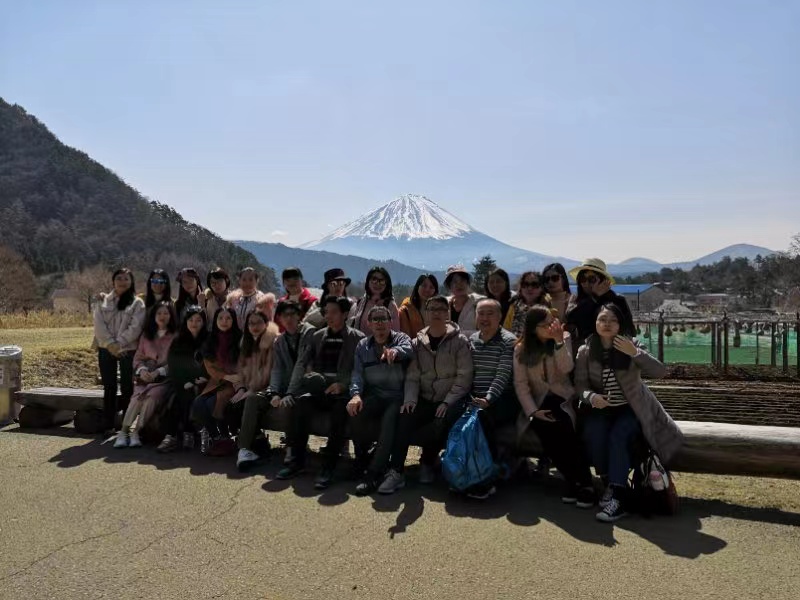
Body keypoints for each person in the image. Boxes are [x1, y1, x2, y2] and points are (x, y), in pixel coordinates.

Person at [575, 303, 683, 523]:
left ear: (621, 323)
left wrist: (634, 353)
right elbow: (580, 385)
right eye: (602, 319)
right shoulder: (586, 350)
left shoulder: (632, 344)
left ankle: (618, 494)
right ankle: (608, 482)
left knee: (619, 435)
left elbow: (660, 371)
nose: (606, 324)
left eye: (612, 320)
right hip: (601, 408)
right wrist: (591, 398)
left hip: (631, 408)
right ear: (595, 323)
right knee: (594, 433)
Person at [379, 295, 473, 495]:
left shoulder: (460, 341)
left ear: (448, 313)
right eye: (432, 309)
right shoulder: (417, 342)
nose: (437, 313)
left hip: (450, 398)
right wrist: (410, 400)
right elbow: (412, 376)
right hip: (424, 396)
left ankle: (428, 462)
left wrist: (447, 402)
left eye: (442, 309)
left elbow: (464, 377)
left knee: (441, 418)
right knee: (405, 415)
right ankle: (396, 471)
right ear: (426, 313)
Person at [276, 296, 365, 489]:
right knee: (301, 403)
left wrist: (343, 385)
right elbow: (307, 362)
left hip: (341, 391)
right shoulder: (318, 336)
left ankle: (328, 467)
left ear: (344, 314)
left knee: (339, 412)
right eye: (326, 312)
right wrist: (311, 377)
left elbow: (359, 369)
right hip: (319, 387)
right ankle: (297, 461)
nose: (329, 316)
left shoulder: (357, 338)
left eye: (333, 312)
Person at [513, 305, 595, 507]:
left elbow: (567, 368)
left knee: (564, 427)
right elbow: (521, 384)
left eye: (553, 321)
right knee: (545, 429)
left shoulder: (562, 337)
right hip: (538, 402)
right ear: (533, 328)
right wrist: (533, 411)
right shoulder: (521, 349)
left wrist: (558, 342)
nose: (552, 326)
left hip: (563, 397)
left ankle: (584, 483)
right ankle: (573, 480)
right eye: (546, 324)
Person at [236, 299, 316, 471]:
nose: (288, 319)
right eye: (284, 315)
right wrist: (273, 392)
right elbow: (277, 369)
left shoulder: (308, 333)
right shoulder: (279, 341)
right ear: (279, 318)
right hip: (283, 388)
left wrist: (289, 393)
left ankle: (291, 448)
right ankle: (245, 449)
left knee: (289, 404)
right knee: (253, 400)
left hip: (302, 387)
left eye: (292, 314)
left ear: (299, 316)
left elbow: (302, 364)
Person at [347, 306, 413, 495]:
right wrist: (356, 394)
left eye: (383, 319)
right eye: (375, 320)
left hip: (396, 397)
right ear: (369, 324)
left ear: (390, 321)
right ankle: (362, 460)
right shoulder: (362, 345)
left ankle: (373, 474)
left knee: (389, 422)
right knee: (355, 411)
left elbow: (408, 349)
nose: (380, 323)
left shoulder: (401, 339)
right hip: (375, 395)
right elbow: (357, 374)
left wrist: (395, 352)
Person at [465, 298, 518, 500]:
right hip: (476, 398)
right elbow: (468, 372)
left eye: (490, 314)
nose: (485, 318)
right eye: (481, 313)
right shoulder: (472, 340)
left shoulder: (508, 340)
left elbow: (502, 374)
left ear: (500, 317)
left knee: (481, 419)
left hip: (502, 398)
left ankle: (486, 478)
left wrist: (487, 398)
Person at [114, 301, 177, 448]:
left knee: (152, 396)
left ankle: (136, 431)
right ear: (153, 316)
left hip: (163, 380)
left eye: (166, 313)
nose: (162, 316)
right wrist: (142, 370)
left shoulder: (176, 336)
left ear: (171, 316)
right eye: (159, 313)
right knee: (137, 398)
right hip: (144, 378)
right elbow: (137, 358)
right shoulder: (146, 335)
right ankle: (123, 432)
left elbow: (175, 362)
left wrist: (158, 372)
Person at [93, 268, 146, 437]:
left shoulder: (137, 303)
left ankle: (126, 424)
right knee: (109, 387)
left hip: (128, 349)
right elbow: (99, 325)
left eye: (126, 279)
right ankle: (108, 424)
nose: (122, 282)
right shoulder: (103, 301)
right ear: (113, 281)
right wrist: (110, 344)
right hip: (105, 348)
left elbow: (136, 327)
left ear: (131, 282)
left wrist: (120, 343)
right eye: (119, 279)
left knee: (127, 387)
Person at [233, 310, 280, 470]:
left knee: (248, 402)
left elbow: (269, 373)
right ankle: (259, 442)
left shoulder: (273, 343)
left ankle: (244, 449)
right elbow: (239, 372)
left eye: (259, 323)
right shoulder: (245, 343)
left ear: (266, 324)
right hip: (248, 389)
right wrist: (240, 388)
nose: (254, 327)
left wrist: (250, 390)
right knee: (230, 407)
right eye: (251, 323)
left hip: (268, 389)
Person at [157, 305, 208, 452]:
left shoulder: (208, 339)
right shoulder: (178, 340)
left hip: (203, 381)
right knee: (176, 397)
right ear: (185, 321)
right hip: (181, 381)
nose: (194, 323)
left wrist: (202, 377)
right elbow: (173, 365)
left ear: (203, 322)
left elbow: (211, 363)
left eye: (198, 320)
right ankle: (171, 436)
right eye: (191, 320)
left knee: (192, 393)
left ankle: (189, 432)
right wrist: (186, 381)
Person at [192, 307, 243, 455]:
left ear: (233, 321)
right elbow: (209, 366)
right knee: (198, 403)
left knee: (212, 402)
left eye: (228, 318)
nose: (224, 321)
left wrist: (234, 378)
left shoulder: (240, 339)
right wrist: (225, 376)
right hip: (218, 381)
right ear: (215, 321)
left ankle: (225, 437)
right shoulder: (210, 340)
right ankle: (218, 438)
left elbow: (244, 363)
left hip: (235, 383)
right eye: (220, 318)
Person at [566, 258, 634, 350]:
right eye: (582, 279)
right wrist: (595, 298)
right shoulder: (575, 301)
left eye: (591, 279)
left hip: (616, 351)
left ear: (603, 280)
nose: (586, 283)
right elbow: (572, 319)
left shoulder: (618, 301)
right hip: (586, 352)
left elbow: (630, 331)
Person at [348, 267, 400, 334]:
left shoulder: (391, 305)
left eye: (382, 281)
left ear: (387, 284)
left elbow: (395, 333)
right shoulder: (361, 302)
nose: (378, 284)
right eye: (374, 280)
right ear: (368, 281)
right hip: (359, 343)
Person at [504, 271, 550, 337]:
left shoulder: (548, 307)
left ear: (541, 288)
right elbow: (506, 331)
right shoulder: (514, 306)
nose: (529, 288)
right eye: (525, 284)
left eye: (534, 284)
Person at [444, 265, 484, 337]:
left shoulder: (479, 303)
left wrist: (458, 334)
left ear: (468, 283)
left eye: (462, 280)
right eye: (454, 281)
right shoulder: (444, 304)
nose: (459, 284)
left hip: (473, 346)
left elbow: (485, 330)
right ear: (449, 286)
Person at [398, 273, 438, 338]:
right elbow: (405, 338)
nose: (427, 290)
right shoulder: (405, 311)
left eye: (431, 287)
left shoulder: (439, 310)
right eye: (424, 286)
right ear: (417, 287)